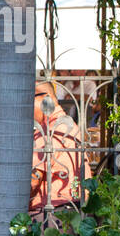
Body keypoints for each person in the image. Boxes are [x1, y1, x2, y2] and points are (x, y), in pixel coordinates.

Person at [30, 80, 90, 224]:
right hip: (72, 210)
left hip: (50, 214)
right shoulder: (67, 125)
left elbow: (32, 181)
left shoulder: (49, 133)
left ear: (44, 99)